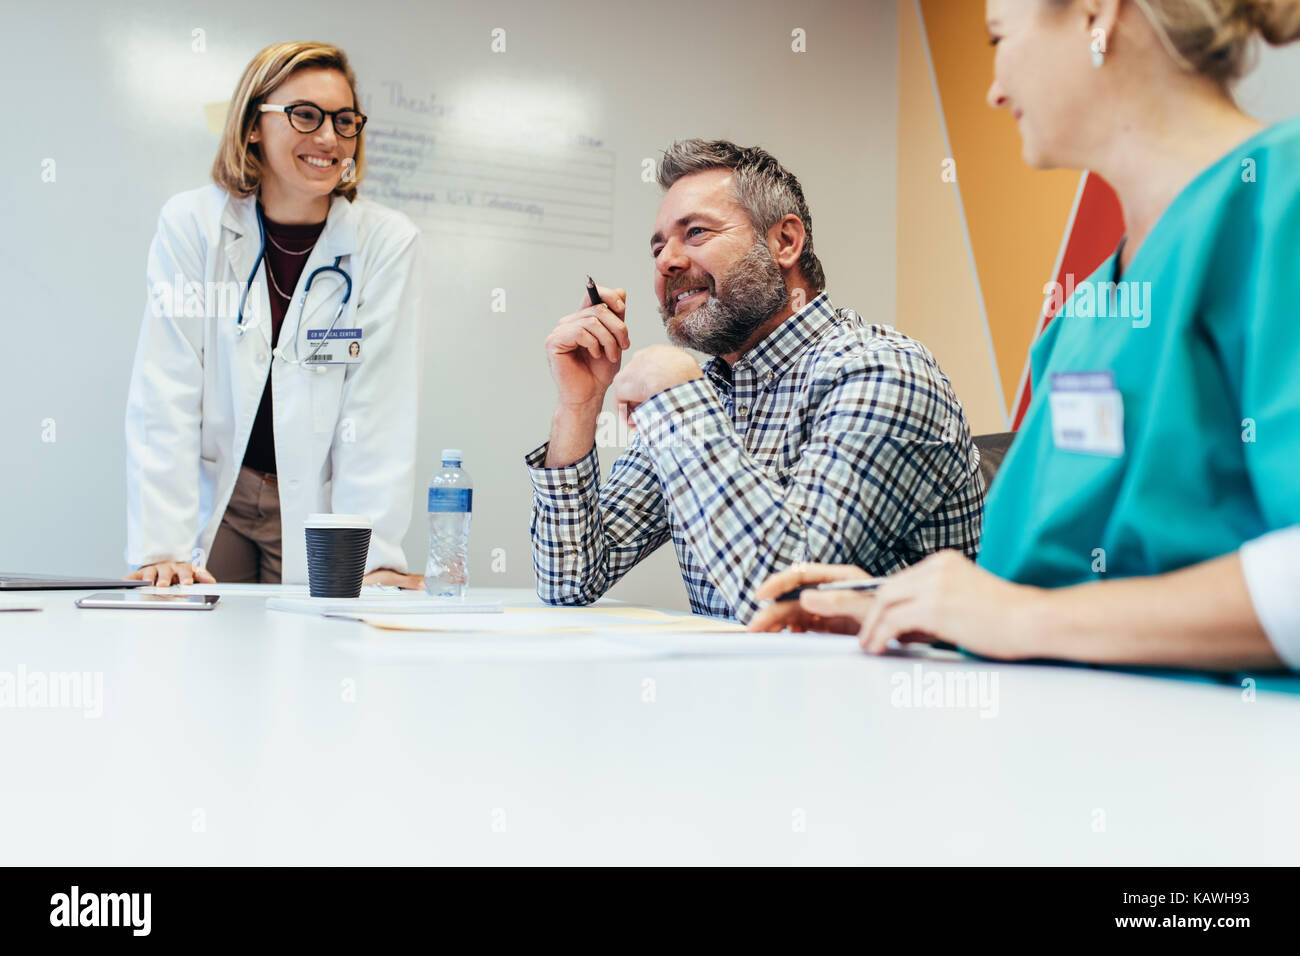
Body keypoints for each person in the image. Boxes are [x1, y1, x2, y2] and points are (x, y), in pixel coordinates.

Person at [751, 0, 1300, 671]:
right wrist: (910, 608)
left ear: (1098, 14)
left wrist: (1020, 617)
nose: (993, 89)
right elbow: (1052, 588)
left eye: (997, 39)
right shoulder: (1083, 316)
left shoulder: (1280, 201)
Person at [526, 140, 985, 623]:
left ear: (785, 242)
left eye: (696, 232)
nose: (666, 262)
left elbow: (785, 605)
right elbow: (570, 578)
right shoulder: (706, 391)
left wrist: (678, 396)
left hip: (867, 694)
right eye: (658, 247)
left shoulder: (882, 372)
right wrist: (579, 406)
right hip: (746, 691)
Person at [124, 42, 424, 588]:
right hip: (221, 492)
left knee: (314, 656)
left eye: (345, 120)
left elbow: (379, 410)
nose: (329, 138)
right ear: (252, 126)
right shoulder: (193, 225)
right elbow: (165, 388)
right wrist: (162, 544)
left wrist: (373, 552)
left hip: (314, 501)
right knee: (194, 649)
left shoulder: (385, 243)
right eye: (305, 115)